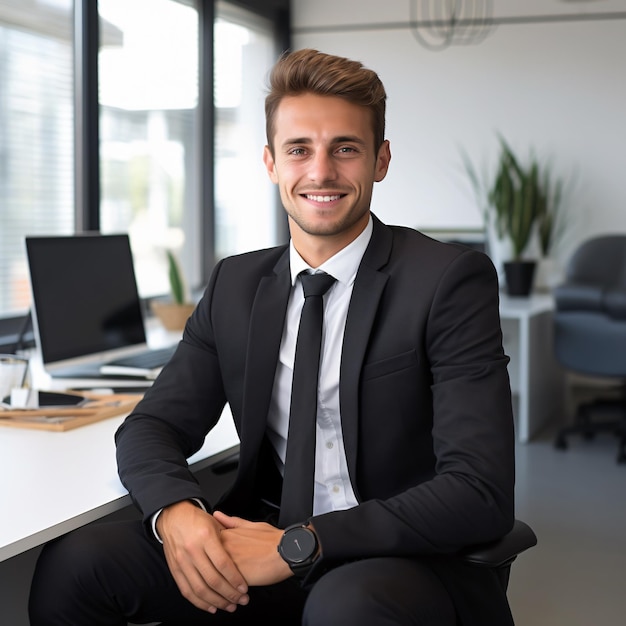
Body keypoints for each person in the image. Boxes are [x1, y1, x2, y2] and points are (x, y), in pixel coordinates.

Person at [29, 48, 515, 626]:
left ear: (380, 160)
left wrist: (300, 544)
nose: (321, 172)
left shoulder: (446, 281)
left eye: (346, 148)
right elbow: (152, 426)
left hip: (398, 557)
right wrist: (177, 511)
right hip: (259, 540)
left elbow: (477, 490)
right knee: (77, 565)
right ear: (270, 163)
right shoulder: (237, 283)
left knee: (345, 608)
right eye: (298, 150)